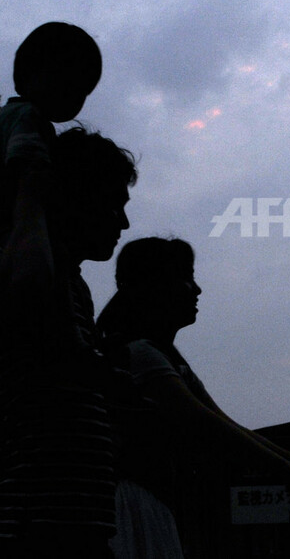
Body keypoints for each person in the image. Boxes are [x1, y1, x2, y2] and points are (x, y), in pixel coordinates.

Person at [97, 237, 290, 557]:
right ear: (156, 287)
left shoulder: (161, 359)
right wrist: (289, 469)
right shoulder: (139, 355)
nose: (197, 290)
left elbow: (221, 421)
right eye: (186, 278)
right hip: (133, 510)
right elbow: (208, 426)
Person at [0, 126, 136, 558]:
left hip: (72, 521)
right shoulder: (39, 272)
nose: (123, 221)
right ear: (72, 196)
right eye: (114, 203)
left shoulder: (71, 281)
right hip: (38, 521)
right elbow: (58, 357)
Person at [0, 21, 103, 339]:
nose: (76, 93)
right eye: (69, 76)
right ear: (30, 72)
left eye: (85, 87)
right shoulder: (30, 119)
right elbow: (28, 172)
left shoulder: (10, 116)